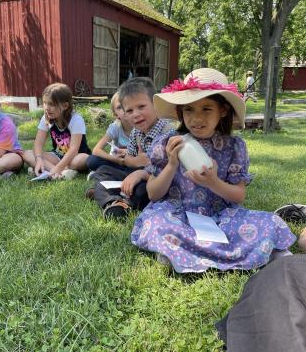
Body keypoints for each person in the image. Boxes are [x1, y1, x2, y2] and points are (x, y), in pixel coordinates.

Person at [131, 68, 296, 273]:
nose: (196, 118)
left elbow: (238, 196)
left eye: (206, 109)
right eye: (189, 109)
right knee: (157, 222)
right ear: (181, 112)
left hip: (220, 215)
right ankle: (176, 249)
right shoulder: (167, 142)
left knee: (270, 221)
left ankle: (180, 252)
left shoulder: (234, 146)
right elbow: (153, 194)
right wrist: (172, 164)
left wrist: (212, 182)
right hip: (178, 214)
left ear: (223, 110)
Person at [89, 77, 170, 220]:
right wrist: (135, 161)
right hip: (133, 174)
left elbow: (168, 169)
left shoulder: (167, 131)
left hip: (155, 180)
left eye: (141, 107)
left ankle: (117, 199)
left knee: (141, 190)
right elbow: (130, 160)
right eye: (130, 110)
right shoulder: (135, 132)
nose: (136, 114)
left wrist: (142, 170)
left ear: (155, 105)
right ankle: (113, 201)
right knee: (102, 171)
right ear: (124, 115)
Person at [23, 83, 90, 179]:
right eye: (45, 103)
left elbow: (73, 150)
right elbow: (38, 144)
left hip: (75, 157)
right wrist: (39, 160)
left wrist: (58, 167)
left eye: (51, 104)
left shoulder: (76, 119)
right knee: (27, 154)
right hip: (57, 156)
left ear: (65, 106)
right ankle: (59, 172)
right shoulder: (46, 117)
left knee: (84, 159)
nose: (46, 108)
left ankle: (48, 170)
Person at [86, 91, 132, 175]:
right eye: (119, 107)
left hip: (134, 162)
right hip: (117, 162)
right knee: (92, 160)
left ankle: (106, 172)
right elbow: (96, 150)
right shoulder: (115, 127)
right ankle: (114, 172)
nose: (124, 109)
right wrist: (115, 159)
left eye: (127, 104)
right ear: (115, 115)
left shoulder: (140, 126)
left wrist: (128, 152)